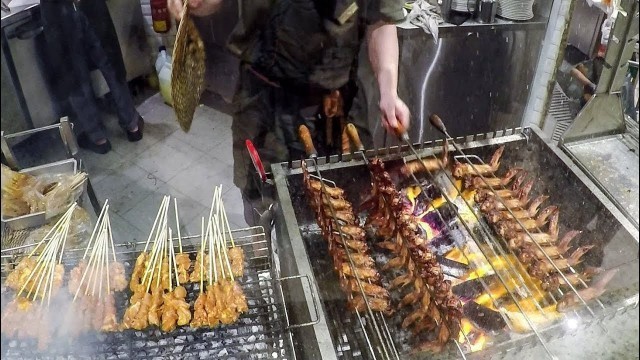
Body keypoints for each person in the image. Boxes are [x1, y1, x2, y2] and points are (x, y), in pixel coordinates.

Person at [169, 0, 410, 217]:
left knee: (349, 202)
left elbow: (381, 21)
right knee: (264, 205)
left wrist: (389, 90)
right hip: (265, 106)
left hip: (338, 110)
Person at [40, 0, 144, 154]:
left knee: (74, 73)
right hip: (90, 6)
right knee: (109, 61)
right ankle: (132, 125)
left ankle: (97, 137)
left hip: (59, 13)